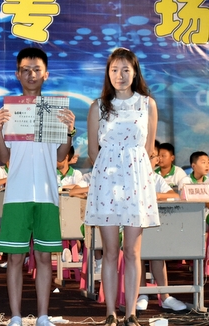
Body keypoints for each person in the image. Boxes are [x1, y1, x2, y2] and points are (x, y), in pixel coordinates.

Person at [0, 47, 75, 326]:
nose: (31, 74)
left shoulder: (56, 111)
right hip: (16, 194)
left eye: (36, 69)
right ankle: (15, 316)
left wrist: (69, 131)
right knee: (15, 259)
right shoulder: (8, 112)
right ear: (17, 74)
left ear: (46, 74)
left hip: (46, 193)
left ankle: (42, 316)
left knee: (43, 258)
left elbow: (61, 156)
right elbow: (3, 157)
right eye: (25, 70)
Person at [84, 47, 159, 326]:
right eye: (115, 69)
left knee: (133, 252)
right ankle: (110, 313)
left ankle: (131, 313)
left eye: (126, 69)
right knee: (110, 252)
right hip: (107, 182)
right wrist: (111, 171)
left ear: (135, 72)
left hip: (136, 181)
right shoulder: (98, 106)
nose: (120, 75)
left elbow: (148, 149)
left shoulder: (147, 104)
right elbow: (93, 152)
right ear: (108, 73)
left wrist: (131, 169)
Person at [136, 149, 187, 312]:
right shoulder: (130, 175)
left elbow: (174, 195)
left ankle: (165, 296)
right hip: (132, 225)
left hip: (153, 227)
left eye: (152, 157)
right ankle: (141, 294)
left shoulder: (156, 178)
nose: (149, 160)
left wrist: (154, 195)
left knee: (157, 252)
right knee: (137, 254)